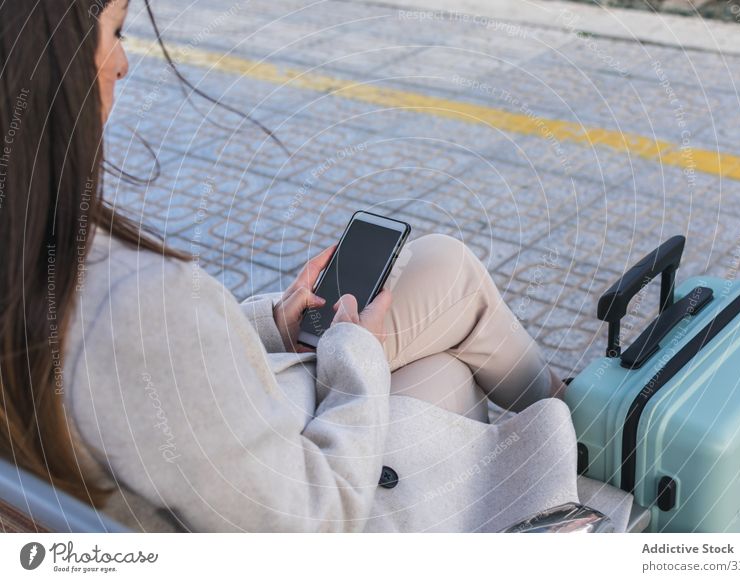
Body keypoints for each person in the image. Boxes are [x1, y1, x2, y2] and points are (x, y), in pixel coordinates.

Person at [0, 0, 630, 533]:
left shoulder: (32, 254)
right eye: (115, 34)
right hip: (293, 490)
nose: (122, 63)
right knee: (449, 322)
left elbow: (163, 373)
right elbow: (311, 522)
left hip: (211, 458)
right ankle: (590, 441)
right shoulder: (131, 301)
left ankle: (568, 428)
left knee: (445, 296)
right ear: (47, 67)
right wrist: (357, 354)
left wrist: (273, 322)